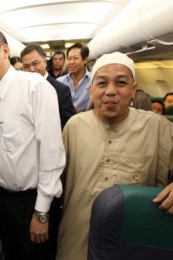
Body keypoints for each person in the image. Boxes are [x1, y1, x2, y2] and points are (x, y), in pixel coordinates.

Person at [0, 27, 65, 259]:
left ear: (5, 50)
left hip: (31, 202)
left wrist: (42, 211)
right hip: (2, 199)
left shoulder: (35, 87)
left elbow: (51, 152)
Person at [56, 52, 173, 260]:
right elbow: (56, 182)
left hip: (134, 239)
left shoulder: (158, 127)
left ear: (133, 90)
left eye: (120, 83)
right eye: (102, 84)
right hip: (76, 236)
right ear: (91, 91)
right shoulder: (74, 126)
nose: (110, 91)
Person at [21, 45, 75, 129]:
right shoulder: (21, 90)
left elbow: (67, 124)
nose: (31, 69)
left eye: (35, 63)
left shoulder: (61, 90)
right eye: (26, 66)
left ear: (45, 62)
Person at [57, 42, 92, 112]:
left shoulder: (94, 80)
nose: (71, 62)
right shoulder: (59, 82)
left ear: (85, 60)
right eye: (69, 59)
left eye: (75, 58)